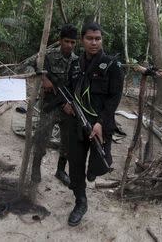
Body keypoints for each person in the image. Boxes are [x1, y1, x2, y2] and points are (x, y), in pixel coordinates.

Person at [66, 22, 124, 226]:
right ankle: (80, 201)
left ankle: (92, 171)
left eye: (98, 38)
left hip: (101, 124)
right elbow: (69, 89)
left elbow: (114, 98)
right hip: (78, 124)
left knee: (102, 164)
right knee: (75, 165)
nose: (94, 42)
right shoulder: (75, 64)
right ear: (82, 40)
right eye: (90, 38)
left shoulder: (112, 65)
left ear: (102, 40)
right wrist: (66, 104)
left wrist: (100, 122)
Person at [30, 24, 78, 186]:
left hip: (67, 108)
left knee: (67, 143)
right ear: (60, 40)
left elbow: (77, 86)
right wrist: (44, 79)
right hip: (49, 105)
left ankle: (60, 170)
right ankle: (35, 169)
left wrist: (70, 103)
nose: (69, 45)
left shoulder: (77, 61)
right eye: (66, 41)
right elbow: (32, 64)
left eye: (73, 42)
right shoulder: (48, 56)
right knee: (41, 139)